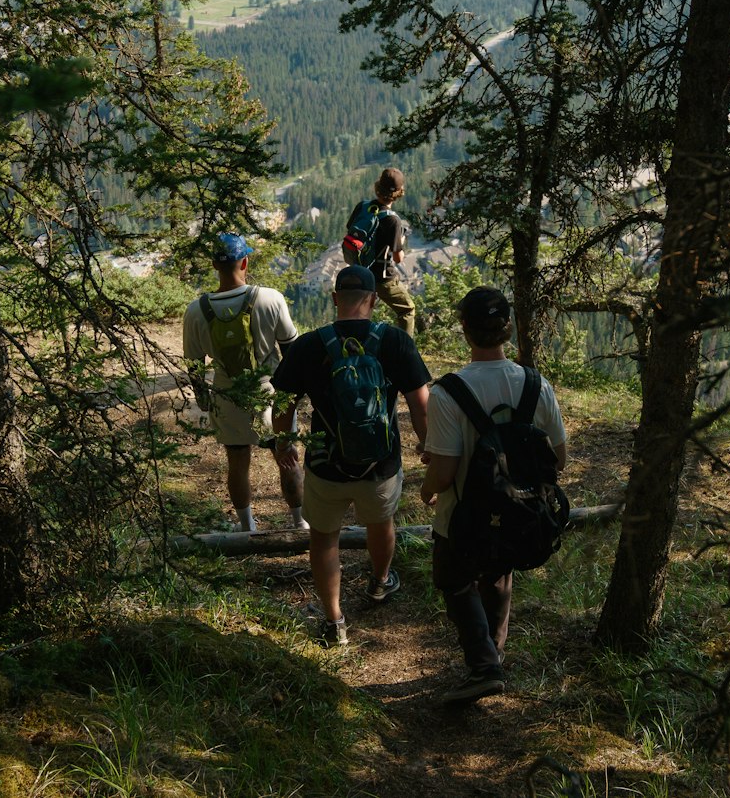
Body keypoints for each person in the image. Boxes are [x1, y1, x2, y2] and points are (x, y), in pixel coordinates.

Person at [420, 286, 567, 705]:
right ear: (507, 329)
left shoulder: (448, 392)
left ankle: (484, 665)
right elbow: (559, 458)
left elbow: (445, 473)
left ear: (464, 329)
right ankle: (494, 654)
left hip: (463, 516)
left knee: (455, 579)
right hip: (520, 512)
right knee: (500, 572)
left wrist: (427, 489)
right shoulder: (537, 386)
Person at [271, 264, 430, 646]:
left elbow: (281, 402)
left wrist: (284, 442)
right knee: (381, 523)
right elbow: (420, 404)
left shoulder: (310, 344)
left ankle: (334, 620)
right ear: (374, 300)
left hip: (326, 465)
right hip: (382, 462)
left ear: (335, 299)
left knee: (324, 537)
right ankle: (379, 583)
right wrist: (427, 445)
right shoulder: (394, 340)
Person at [183, 232, 305, 533]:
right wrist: (295, 396)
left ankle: (247, 526)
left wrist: (204, 400)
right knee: (287, 457)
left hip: (227, 397)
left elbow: (194, 366)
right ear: (245, 261)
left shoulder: (196, 311)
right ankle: (299, 522)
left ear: (214, 265)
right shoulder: (270, 298)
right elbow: (292, 351)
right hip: (271, 395)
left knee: (237, 463)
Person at [345, 166, 416, 335]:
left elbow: (351, 230)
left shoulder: (362, 207)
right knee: (407, 310)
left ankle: (351, 343)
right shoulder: (393, 220)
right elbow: (398, 258)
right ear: (399, 193)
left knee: (357, 314)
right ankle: (405, 350)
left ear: (378, 187)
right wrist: (401, 240)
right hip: (381, 277)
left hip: (359, 271)